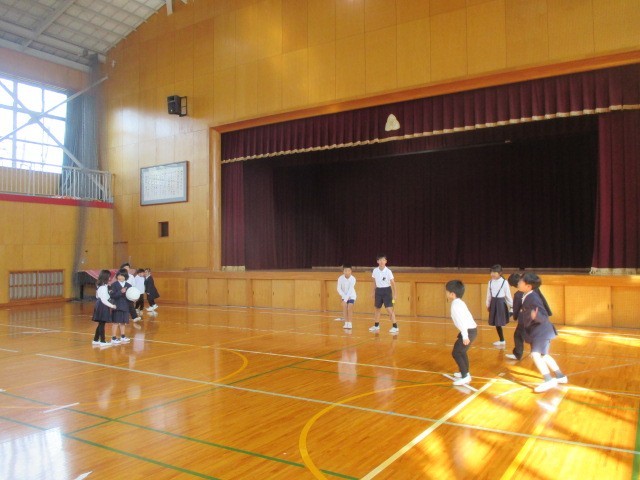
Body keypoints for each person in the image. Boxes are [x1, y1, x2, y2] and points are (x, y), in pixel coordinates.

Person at [517, 273, 568, 393]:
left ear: (528, 286)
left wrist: (536, 316)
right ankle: (560, 376)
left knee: (535, 355)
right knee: (544, 355)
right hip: (539, 331)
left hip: (541, 331)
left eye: (520, 281)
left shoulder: (533, 297)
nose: (518, 283)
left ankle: (548, 380)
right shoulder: (527, 295)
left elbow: (544, 315)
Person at [505, 272, 553, 361]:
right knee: (534, 336)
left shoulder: (518, 294)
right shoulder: (534, 289)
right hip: (537, 318)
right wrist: (546, 312)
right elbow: (542, 300)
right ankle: (540, 353)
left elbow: (516, 308)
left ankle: (519, 354)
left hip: (526, 319)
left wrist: (515, 316)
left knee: (518, 336)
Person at [445, 280, 478, 386]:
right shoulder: (459, 302)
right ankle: (465, 372)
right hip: (471, 330)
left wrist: (465, 336)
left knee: (456, 353)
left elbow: (461, 321)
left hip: (468, 331)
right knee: (462, 352)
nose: (446, 293)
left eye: (447, 291)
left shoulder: (455, 305)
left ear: (452, 294)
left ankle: (465, 376)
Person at [368, 255, 398, 334]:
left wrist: (395, 294)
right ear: (377, 261)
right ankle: (376, 325)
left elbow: (393, 283)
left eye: (383, 260)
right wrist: (373, 292)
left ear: (386, 261)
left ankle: (395, 326)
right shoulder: (375, 271)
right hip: (378, 291)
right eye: (380, 260)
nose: (381, 261)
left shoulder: (388, 271)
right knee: (377, 308)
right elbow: (374, 282)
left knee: (389, 309)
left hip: (387, 291)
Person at [486, 264, 512, 347]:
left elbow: (508, 295)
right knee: (497, 323)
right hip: (493, 302)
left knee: (499, 322)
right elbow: (489, 295)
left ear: (500, 273)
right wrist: (488, 304)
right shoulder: (490, 282)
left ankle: (502, 340)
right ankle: (502, 340)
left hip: (501, 303)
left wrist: (512, 306)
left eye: (494, 272)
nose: (492, 274)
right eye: (491, 272)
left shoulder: (504, 282)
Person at [92, 269, 115, 347]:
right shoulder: (103, 287)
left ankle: (95, 339)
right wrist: (112, 306)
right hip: (102, 305)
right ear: (106, 277)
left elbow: (97, 296)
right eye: (109, 277)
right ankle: (102, 341)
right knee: (102, 323)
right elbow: (104, 300)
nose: (110, 278)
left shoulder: (101, 286)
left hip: (99, 304)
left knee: (101, 323)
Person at [109, 269, 132, 344]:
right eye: (119, 275)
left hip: (125, 306)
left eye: (122, 276)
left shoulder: (129, 285)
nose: (120, 277)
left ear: (126, 277)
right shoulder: (114, 285)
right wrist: (120, 292)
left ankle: (123, 336)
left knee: (123, 322)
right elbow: (112, 295)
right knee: (115, 322)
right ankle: (113, 338)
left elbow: (130, 296)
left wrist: (134, 299)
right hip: (117, 306)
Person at [337, 264, 357, 330]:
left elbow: (350, 290)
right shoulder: (340, 278)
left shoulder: (353, 279)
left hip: (351, 295)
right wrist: (344, 297)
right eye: (345, 270)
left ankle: (350, 323)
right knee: (345, 308)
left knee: (349, 307)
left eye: (348, 270)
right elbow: (338, 288)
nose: (347, 272)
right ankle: (346, 323)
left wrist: (345, 300)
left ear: (351, 271)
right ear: (343, 271)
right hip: (344, 295)